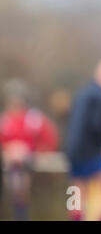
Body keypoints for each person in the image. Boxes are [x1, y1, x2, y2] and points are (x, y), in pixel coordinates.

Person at [66, 56, 101, 221]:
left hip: (72, 149)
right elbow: (96, 126)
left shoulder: (82, 92)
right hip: (90, 151)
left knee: (78, 189)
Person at [0, 78, 59, 220]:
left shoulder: (33, 118)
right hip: (8, 163)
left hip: (28, 162)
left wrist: (34, 151)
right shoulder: (4, 120)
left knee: (20, 185)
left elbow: (50, 139)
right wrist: (8, 150)